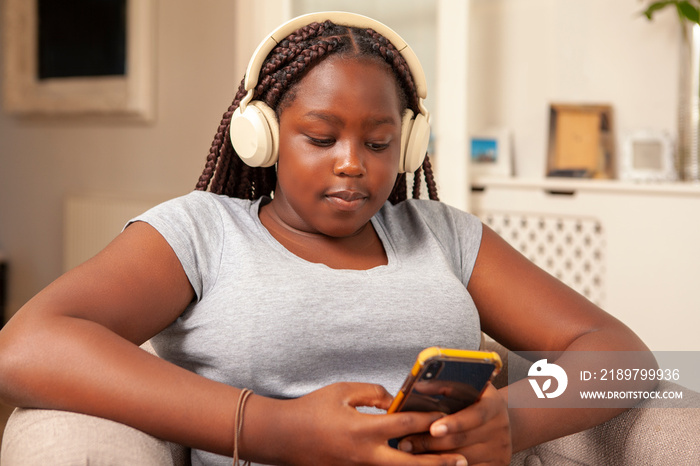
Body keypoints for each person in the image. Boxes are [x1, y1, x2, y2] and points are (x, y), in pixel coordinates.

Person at [0, 11, 652, 466]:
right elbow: (26, 346)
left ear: (409, 146)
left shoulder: (444, 234)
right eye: (321, 137)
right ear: (263, 134)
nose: (351, 162)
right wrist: (276, 429)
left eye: (377, 143)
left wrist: (514, 419)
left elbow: (622, 355)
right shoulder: (201, 229)